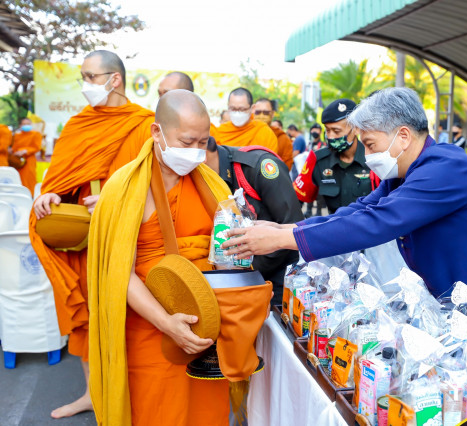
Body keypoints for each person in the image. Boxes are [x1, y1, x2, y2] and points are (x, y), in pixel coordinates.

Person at [223, 87, 467, 345]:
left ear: (403, 136)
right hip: (464, 312)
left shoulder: (446, 169)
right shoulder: (406, 174)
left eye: (370, 143)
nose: (366, 154)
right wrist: (288, 227)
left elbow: (377, 223)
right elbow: (361, 210)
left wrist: (282, 239)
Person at [87, 90, 231, 426]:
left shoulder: (211, 184)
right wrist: (167, 323)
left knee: (207, 414)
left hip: (207, 328)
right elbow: (117, 270)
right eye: (186, 141)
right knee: (156, 413)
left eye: (203, 142)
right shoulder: (123, 188)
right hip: (151, 329)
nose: (195, 151)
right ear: (156, 132)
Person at [29, 50, 155, 419]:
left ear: (114, 80)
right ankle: (92, 393)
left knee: (131, 319)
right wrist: (51, 193)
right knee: (86, 317)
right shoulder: (77, 125)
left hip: (130, 238)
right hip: (84, 239)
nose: (84, 85)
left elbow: (157, 186)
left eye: (90, 77)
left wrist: (117, 199)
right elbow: (62, 179)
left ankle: (132, 394)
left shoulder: (144, 124)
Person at [204, 137, 303, 304]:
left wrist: (244, 270)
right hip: (233, 279)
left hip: (277, 277)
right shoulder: (202, 180)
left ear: (203, 154)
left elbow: (293, 227)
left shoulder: (258, 166)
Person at [293, 98, 379, 214]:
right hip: (333, 228)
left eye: (336, 131)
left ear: (356, 129)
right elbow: (295, 200)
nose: (331, 136)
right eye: (327, 131)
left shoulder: (375, 158)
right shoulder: (318, 160)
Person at [211, 88, 278, 152]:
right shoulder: (220, 131)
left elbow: (269, 162)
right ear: (228, 106)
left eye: (242, 109)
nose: (237, 113)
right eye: (233, 108)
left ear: (253, 108)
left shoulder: (265, 133)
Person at [253, 98, 293, 170]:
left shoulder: (282, 138)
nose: (261, 116)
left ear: (272, 114)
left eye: (266, 113)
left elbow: (285, 167)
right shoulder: (246, 132)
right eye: (258, 112)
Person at [10, 118, 42, 195]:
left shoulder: (36, 134)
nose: (26, 126)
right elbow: (14, 147)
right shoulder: (17, 135)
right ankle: (20, 196)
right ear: (20, 125)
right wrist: (14, 152)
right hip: (17, 161)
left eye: (28, 124)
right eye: (24, 124)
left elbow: (37, 147)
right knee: (18, 179)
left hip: (29, 160)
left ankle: (31, 196)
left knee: (29, 179)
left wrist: (24, 151)